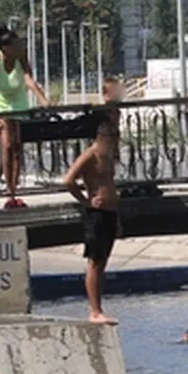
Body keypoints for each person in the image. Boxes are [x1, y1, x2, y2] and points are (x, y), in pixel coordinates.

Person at [0, 26, 51, 210]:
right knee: (6, 144)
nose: (19, 48)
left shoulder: (21, 56)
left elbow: (28, 78)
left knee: (16, 148)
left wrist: (42, 98)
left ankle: (14, 190)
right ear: (6, 47)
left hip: (18, 103)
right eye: (16, 45)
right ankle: (9, 191)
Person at [64, 118, 122, 325]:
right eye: (112, 140)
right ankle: (94, 310)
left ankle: (99, 308)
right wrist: (86, 200)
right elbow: (68, 180)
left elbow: (110, 183)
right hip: (96, 214)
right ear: (102, 138)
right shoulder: (90, 156)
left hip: (110, 212)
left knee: (102, 262)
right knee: (95, 262)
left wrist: (118, 220)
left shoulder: (107, 157)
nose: (114, 145)